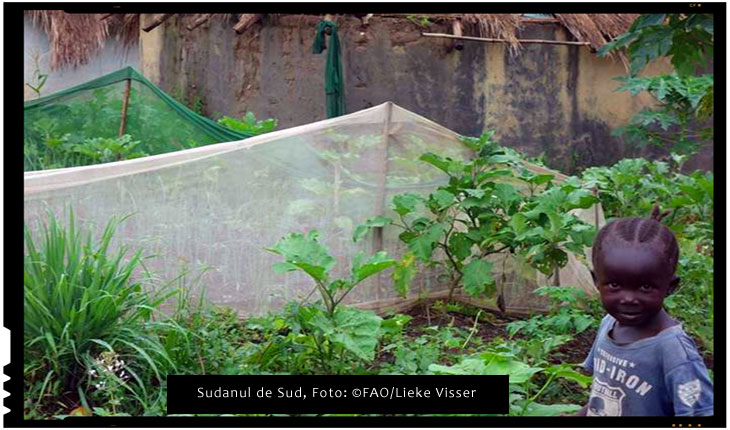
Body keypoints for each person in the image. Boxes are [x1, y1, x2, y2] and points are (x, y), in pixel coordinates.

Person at [571, 206, 713, 416]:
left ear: (670, 287)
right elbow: (603, 395)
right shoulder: (608, 324)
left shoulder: (673, 350)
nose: (628, 299)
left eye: (645, 287)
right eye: (615, 285)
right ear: (596, 281)